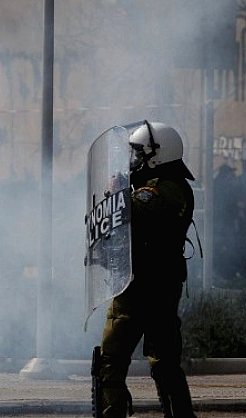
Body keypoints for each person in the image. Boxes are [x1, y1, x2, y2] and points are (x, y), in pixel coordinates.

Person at [96, 121, 196, 418]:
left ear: (158, 155)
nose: (134, 161)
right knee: (121, 360)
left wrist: (118, 194)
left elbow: (135, 216)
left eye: (139, 154)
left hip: (147, 286)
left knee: (138, 361)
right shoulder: (156, 187)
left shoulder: (167, 190)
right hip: (140, 281)